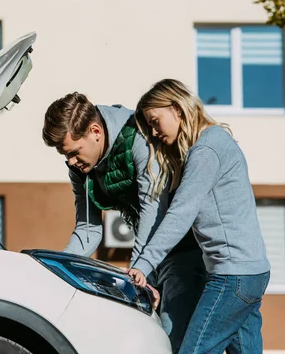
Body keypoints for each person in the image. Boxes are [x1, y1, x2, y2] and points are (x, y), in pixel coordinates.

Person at [42, 92, 206, 353]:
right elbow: (87, 230)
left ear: (95, 131)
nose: (70, 162)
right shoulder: (80, 168)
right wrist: (55, 272)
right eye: (65, 156)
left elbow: (153, 210)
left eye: (73, 152)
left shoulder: (138, 137)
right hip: (153, 255)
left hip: (186, 247)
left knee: (169, 341)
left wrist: (141, 275)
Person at [128, 79, 270, 354]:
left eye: (156, 121)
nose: (155, 132)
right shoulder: (212, 143)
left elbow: (180, 214)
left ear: (177, 109)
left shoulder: (206, 149)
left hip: (232, 276)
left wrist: (144, 264)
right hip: (250, 273)